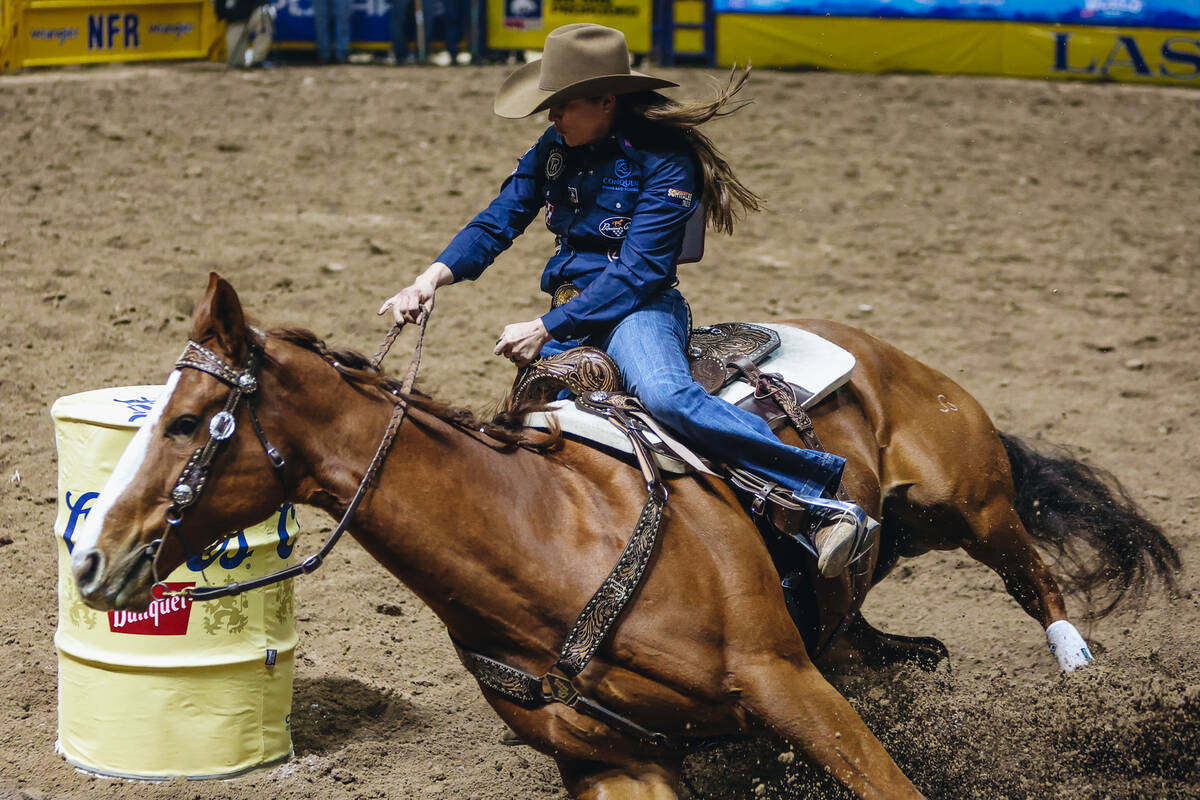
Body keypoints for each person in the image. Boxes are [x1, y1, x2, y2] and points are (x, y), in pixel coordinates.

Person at [377, 23, 869, 577]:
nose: (551, 117)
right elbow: (500, 218)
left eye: (561, 105)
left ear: (606, 100)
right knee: (526, 433)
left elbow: (641, 272)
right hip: (569, 311)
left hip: (639, 309)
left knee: (667, 396)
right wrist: (429, 279)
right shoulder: (555, 147)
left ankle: (819, 496)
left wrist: (546, 325)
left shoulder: (665, 159)